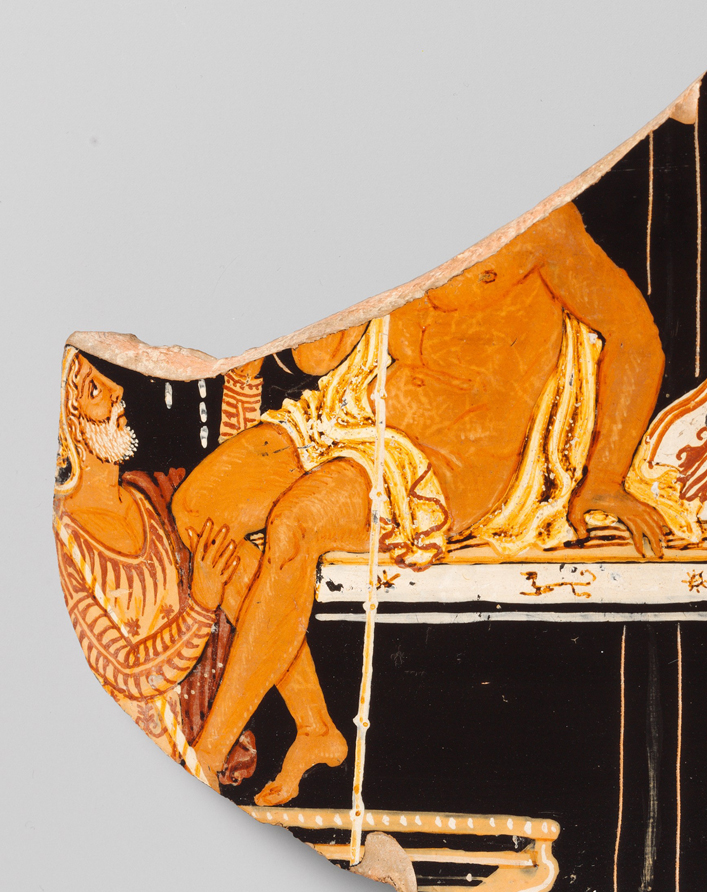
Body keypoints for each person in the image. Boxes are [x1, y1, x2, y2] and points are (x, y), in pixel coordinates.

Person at [172, 202, 671, 803]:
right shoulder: (390, 210)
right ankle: (315, 726)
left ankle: (208, 753)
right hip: (359, 417)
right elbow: (316, 360)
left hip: (453, 459)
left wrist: (605, 477)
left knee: (297, 523)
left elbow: (636, 337)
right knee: (199, 508)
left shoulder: (540, 223)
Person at [53, 350, 252, 781]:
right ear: (67, 423)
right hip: (124, 771)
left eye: (111, 381)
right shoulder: (65, 538)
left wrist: (245, 381)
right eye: (94, 389)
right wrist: (201, 607)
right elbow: (125, 670)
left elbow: (232, 485)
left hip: (195, 759)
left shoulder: (156, 495)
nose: (118, 393)